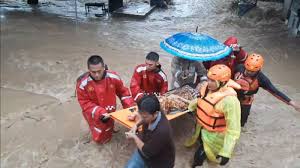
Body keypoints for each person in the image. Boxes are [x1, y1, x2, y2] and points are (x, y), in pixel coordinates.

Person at [187, 64, 242, 167]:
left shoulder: (230, 101)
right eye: (208, 79)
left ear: (223, 82)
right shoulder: (207, 87)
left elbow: (233, 129)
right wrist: (191, 107)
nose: (208, 83)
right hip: (201, 126)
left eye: (213, 81)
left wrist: (226, 152)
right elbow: (202, 100)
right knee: (199, 143)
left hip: (215, 135)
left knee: (199, 156)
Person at [76, 55, 135, 144]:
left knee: (109, 127)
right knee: (100, 139)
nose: (97, 75)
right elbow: (84, 103)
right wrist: (100, 112)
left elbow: (123, 93)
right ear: (88, 70)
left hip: (110, 110)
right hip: (94, 114)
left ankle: (110, 130)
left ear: (104, 68)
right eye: (93, 72)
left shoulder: (113, 77)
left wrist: (130, 108)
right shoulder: (82, 83)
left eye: (99, 71)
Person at [233, 53, 300, 127]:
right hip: (232, 96)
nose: (249, 73)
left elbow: (275, 92)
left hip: (245, 100)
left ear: (259, 69)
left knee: (241, 123)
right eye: (248, 70)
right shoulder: (239, 67)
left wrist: (291, 102)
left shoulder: (262, 79)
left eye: (252, 71)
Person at [125, 95, 175, 168]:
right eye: (140, 114)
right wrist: (136, 125)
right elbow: (143, 116)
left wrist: (134, 137)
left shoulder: (162, 131)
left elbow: (147, 151)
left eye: (144, 117)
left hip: (159, 163)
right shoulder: (154, 111)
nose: (141, 118)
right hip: (143, 154)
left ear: (155, 114)